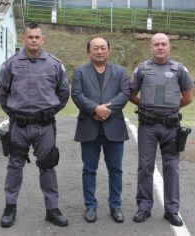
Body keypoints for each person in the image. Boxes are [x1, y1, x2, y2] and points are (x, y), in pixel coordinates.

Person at [0, 22, 70, 228]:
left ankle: (52, 210)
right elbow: (2, 91)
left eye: (37, 37)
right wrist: (12, 112)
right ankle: (10, 207)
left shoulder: (54, 64)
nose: (34, 40)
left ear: (42, 39)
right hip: (18, 125)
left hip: (45, 126)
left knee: (48, 167)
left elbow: (64, 92)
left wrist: (50, 112)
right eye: (30, 37)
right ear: (24, 38)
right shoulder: (11, 64)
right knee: (14, 166)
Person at [129, 33, 194, 227]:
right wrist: (147, 108)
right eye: (156, 44)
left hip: (171, 127)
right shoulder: (142, 69)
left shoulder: (179, 69)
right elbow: (131, 94)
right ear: (151, 47)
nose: (160, 47)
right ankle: (144, 207)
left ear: (169, 47)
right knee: (145, 166)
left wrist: (170, 109)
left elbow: (188, 97)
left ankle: (172, 210)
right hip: (147, 126)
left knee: (171, 167)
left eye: (163, 44)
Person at [71, 37, 130, 223]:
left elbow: (125, 94)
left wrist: (106, 110)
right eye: (95, 48)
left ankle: (116, 206)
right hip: (89, 127)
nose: (99, 51)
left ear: (108, 50)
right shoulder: (80, 72)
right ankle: (90, 206)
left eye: (103, 47)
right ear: (88, 52)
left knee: (116, 170)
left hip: (114, 127)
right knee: (89, 169)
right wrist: (95, 109)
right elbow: (77, 95)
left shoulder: (120, 72)